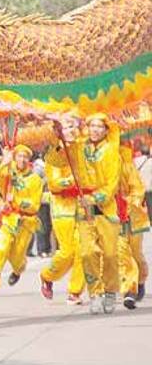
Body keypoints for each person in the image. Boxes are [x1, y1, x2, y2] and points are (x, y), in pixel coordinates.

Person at [68, 113, 122, 314]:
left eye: (100, 126)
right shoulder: (79, 146)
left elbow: (112, 183)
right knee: (87, 253)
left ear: (106, 130)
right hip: (85, 210)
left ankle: (110, 292)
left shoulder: (111, 151)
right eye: (92, 126)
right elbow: (57, 159)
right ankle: (95, 294)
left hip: (106, 209)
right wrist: (60, 137)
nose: (95, 130)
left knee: (110, 254)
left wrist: (94, 198)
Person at [0, 145, 43, 296]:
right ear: (14, 157)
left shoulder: (35, 179)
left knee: (17, 258)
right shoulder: (7, 173)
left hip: (26, 222)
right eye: (19, 156)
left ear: (29, 160)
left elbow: (35, 205)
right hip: (8, 219)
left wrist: (16, 201)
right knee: (0, 249)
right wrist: (2, 162)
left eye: (25, 157)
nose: (22, 160)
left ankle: (18, 270)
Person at [39, 124, 86, 304]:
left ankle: (75, 291)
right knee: (67, 252)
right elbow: (54, 184)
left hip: (82, 207)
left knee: (83, 250)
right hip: (62, 209)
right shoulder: (54, 154)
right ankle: (47, 276)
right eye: (66, 127)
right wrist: (73, 181)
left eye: (73, 126)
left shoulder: (82, 149)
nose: (71, 131)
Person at [116, 145, 149, 310]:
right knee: (122, 255)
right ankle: (129, 289)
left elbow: (138, 189)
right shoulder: (95, 164)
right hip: (113, 218)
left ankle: (140, 280)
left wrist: (128, 202)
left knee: (136, 255)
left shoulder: (127, 165)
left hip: (132, 217)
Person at [134, 144, 152, 221]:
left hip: (140, 188)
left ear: (141, 152)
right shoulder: (150, 161)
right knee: (150, 205)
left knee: (142, 206)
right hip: (150, 187)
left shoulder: (135, 161)